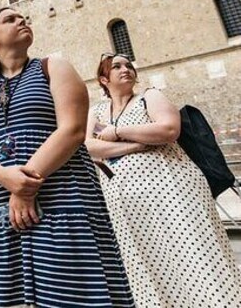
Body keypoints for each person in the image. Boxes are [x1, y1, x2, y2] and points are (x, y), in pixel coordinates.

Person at [0, 8, 133, 307]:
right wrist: (6, 178)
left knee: (73, 288)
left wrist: (25, 184)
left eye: (24, 17)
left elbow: (73, 129)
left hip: (62, 189)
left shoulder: (54, 66)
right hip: (0, 193)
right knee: (15, 294)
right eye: (11, 19)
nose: (22, 21)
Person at [87, 53, 241, 306]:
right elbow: (89, 146)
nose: (125, 68)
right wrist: (134, 146)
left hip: (173, 191)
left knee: (195, 252)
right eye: (116, 67)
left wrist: (116, 132)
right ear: (104, 79)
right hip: (126, 204)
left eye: (128, 65)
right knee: (149, 262)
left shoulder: (150, 96)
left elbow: (168, 129)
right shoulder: (97, 111)